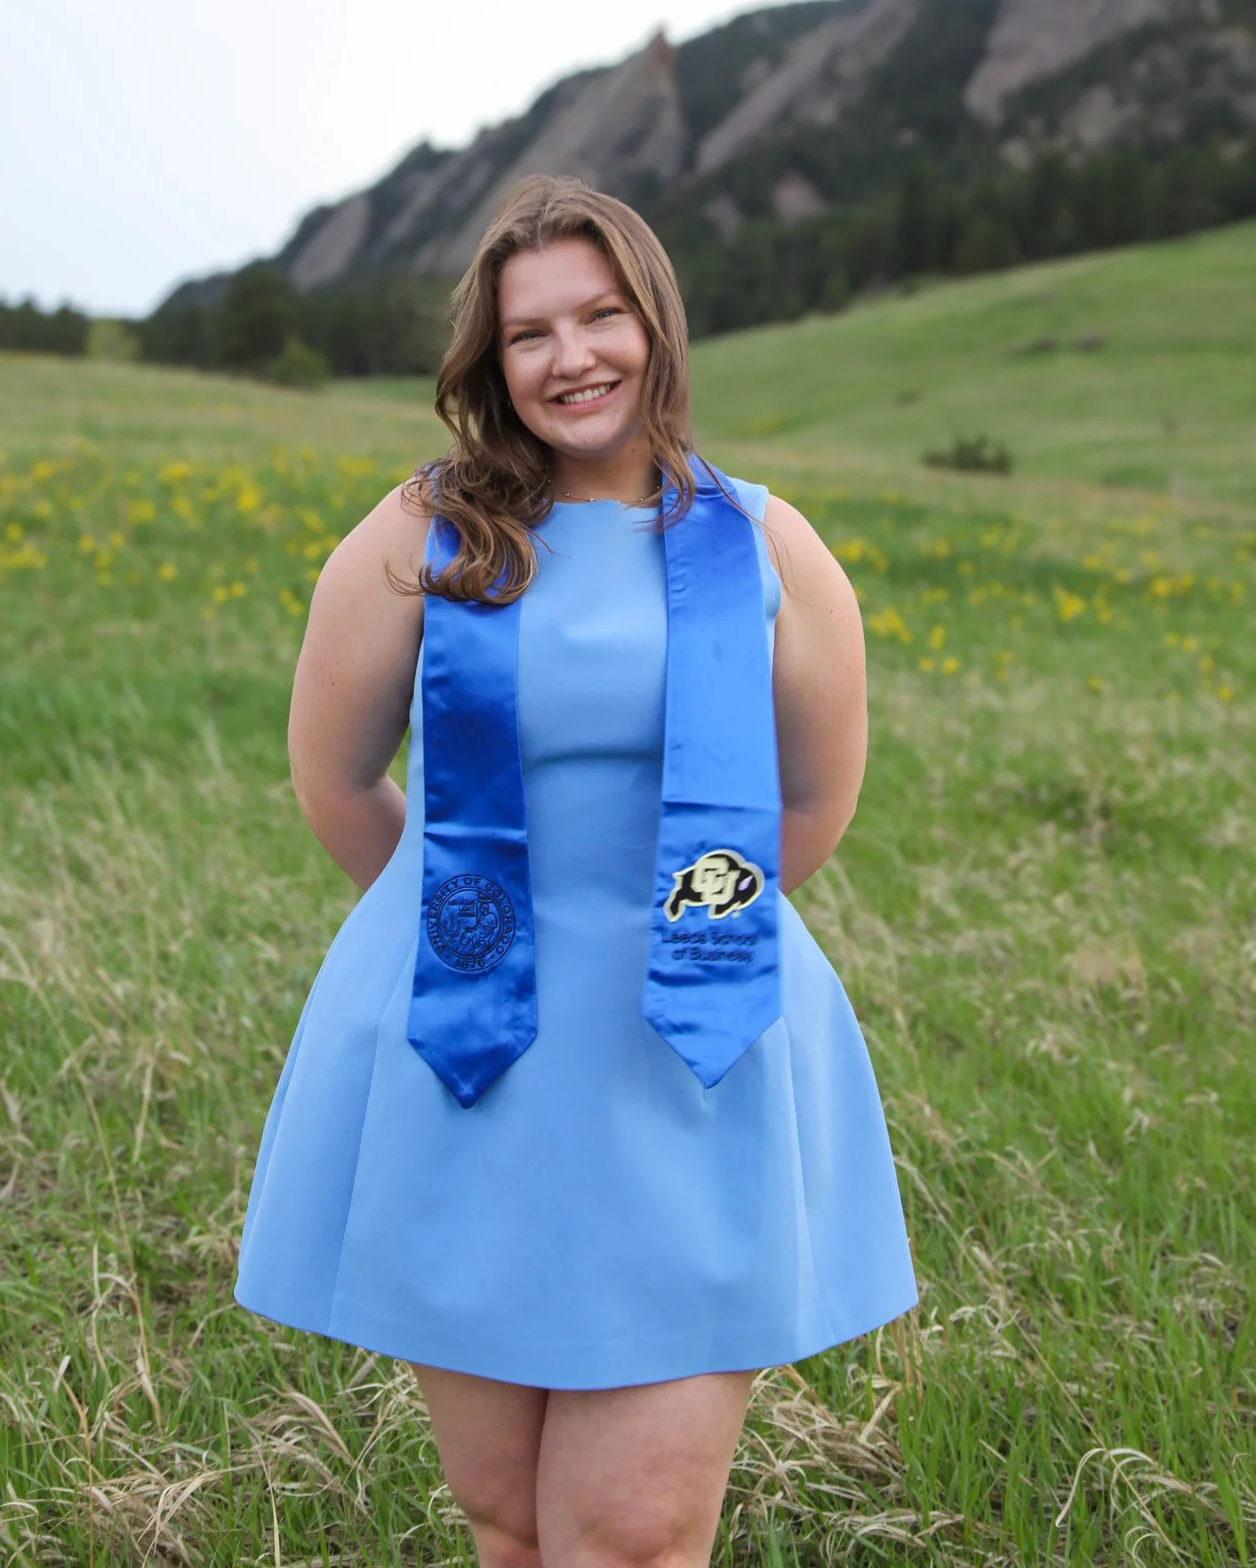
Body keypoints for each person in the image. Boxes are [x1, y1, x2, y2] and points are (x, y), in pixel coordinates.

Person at [235, 174, 917, 1568]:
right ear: (491, 363)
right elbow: (336, 781)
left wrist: (684, 939)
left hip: (690, 1051)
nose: (571, 357)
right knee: (510, 1525)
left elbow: (812, 800)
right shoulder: (419, 536)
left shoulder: (766, 545)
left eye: (600, 316)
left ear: (656, 322)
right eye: (529, 333)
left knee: (636, 1534)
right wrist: (459, 925)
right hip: (472, 1047)